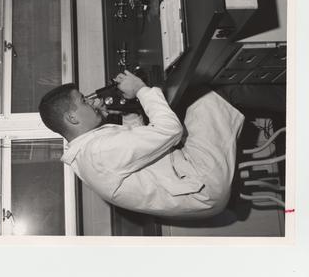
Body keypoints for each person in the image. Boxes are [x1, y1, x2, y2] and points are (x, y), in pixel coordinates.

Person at [38, 70, 245, 219]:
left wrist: (130, 114)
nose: (93, 102)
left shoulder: (87, 155)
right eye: (84, 101)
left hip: (192, 185)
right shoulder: (99, 152)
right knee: (209, 92)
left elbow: (139, 154)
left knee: (187, 99)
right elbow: (170, 130)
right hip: (203, 181)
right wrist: (140, 90)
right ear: (72, 118)